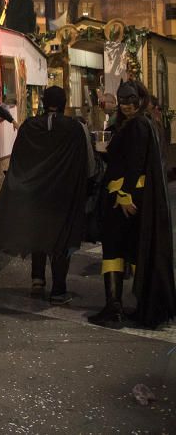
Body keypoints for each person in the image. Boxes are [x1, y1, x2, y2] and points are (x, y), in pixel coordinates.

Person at [0, 86, 94, 305]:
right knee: (61, 238)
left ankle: (37, 281)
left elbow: (18, 160)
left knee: (38, 233)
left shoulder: (28, 127)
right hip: (64, 195)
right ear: (64, 102)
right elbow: (89, 165)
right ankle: (59, 290)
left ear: (44, 102)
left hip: (35, 193)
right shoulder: (76, 128)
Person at [88, 81, 175, 329]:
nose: (126, 106)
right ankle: (144, 306)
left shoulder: (137, 125)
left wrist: (124, 195)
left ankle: (116, 307)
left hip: (124, 198)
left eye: (130, 101)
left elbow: (134, 162)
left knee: (115, 250)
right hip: (135, 197)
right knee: (135, 250)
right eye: (123, 102)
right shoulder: (147, 123)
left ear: (139, 100)